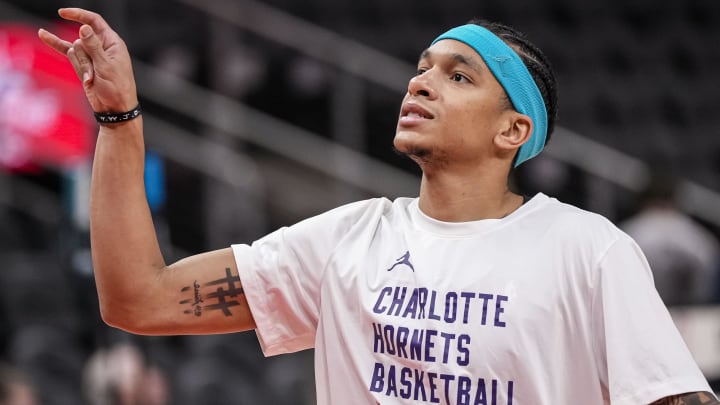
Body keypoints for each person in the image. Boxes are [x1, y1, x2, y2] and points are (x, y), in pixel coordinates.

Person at [38, 8, 717, 405]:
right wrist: (120, 121)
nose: (422, 82)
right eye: (423, 66)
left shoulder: (588, 249)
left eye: (458, 76)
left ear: (512, 131)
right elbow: (137, 298)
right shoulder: (350, 238)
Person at [620, 171, 720, 307]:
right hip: (689, 310)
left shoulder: (627, 232)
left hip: (641, 306)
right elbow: (708, 265)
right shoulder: (694, 234)